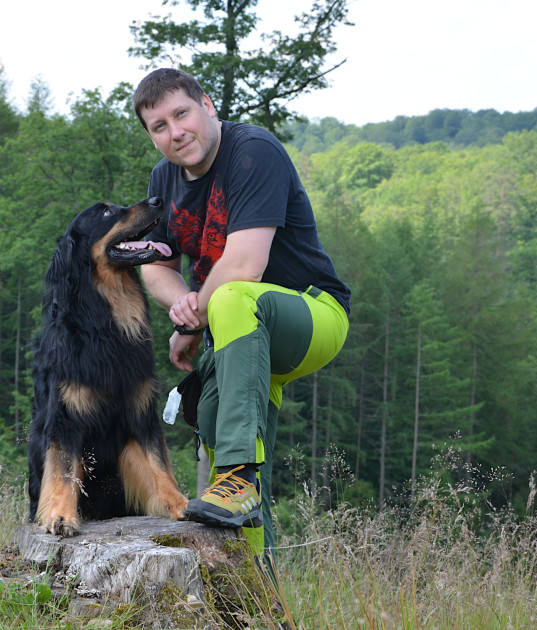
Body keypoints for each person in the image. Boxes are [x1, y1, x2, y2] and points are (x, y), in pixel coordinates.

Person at [133, 68, 351, 554]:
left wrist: (197, 317)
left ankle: (237, 477)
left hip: (312, 314)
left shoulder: (252, 151)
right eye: (159, 127)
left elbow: (245, 266)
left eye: (181, 114)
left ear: (207, 104)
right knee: (215, 421)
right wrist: (183, 307)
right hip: (239, 335)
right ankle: (258, 599)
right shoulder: (164, 178)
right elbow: (155, 268)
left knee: (231, 295)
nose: (176, 132)